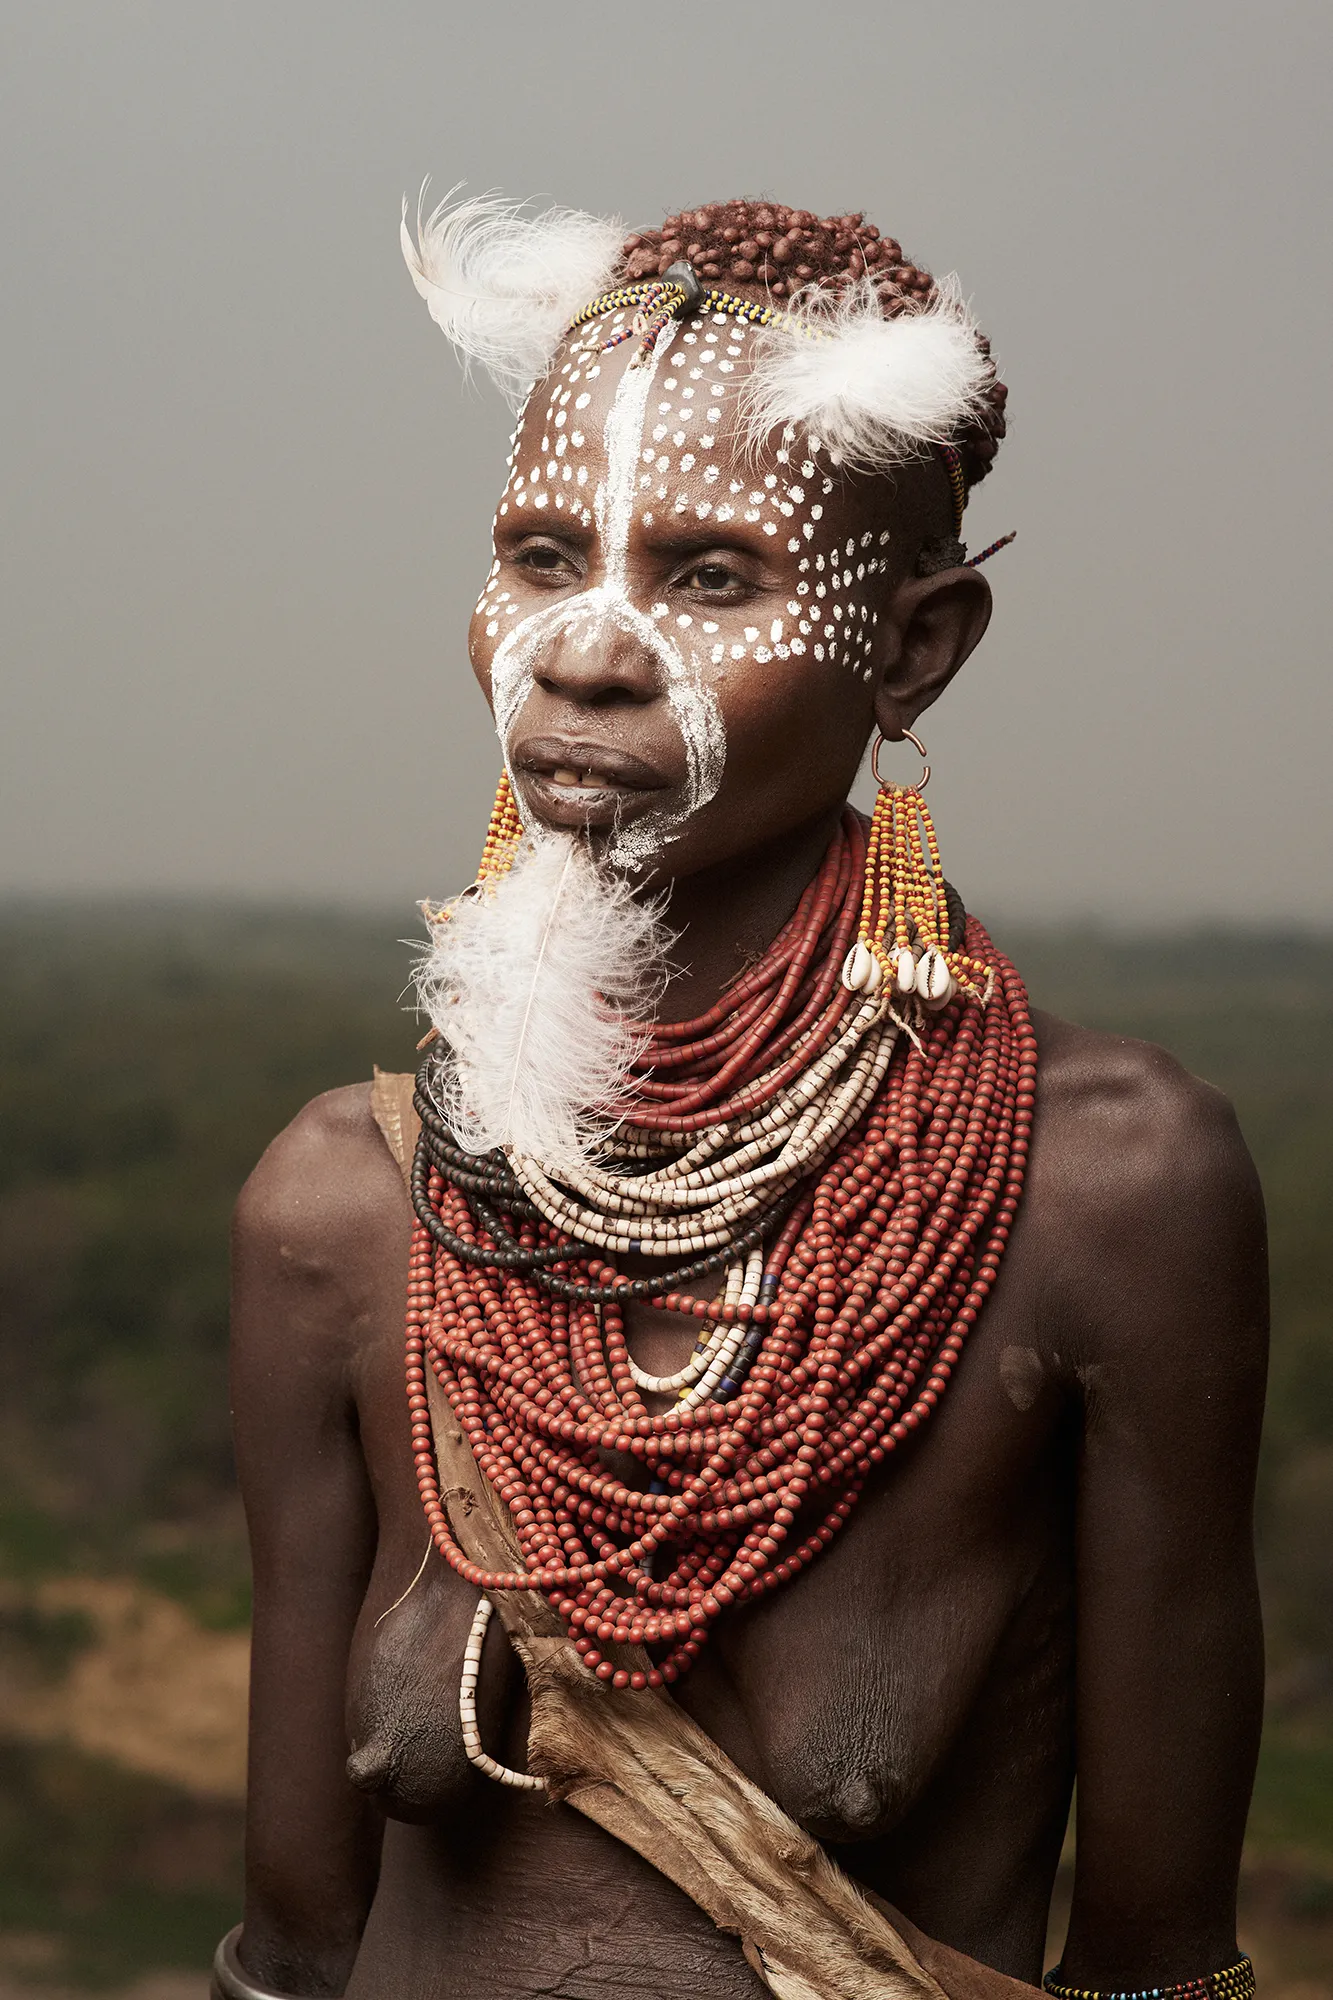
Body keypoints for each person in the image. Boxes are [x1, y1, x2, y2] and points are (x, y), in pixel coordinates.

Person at [216, 193, 1268, 2000]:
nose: (593, 649)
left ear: (918, 647)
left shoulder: (1103, 1193)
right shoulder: (340, 1210)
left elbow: (1159, 1964)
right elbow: (298, 1949)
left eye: (713, 577)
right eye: (545, 557)